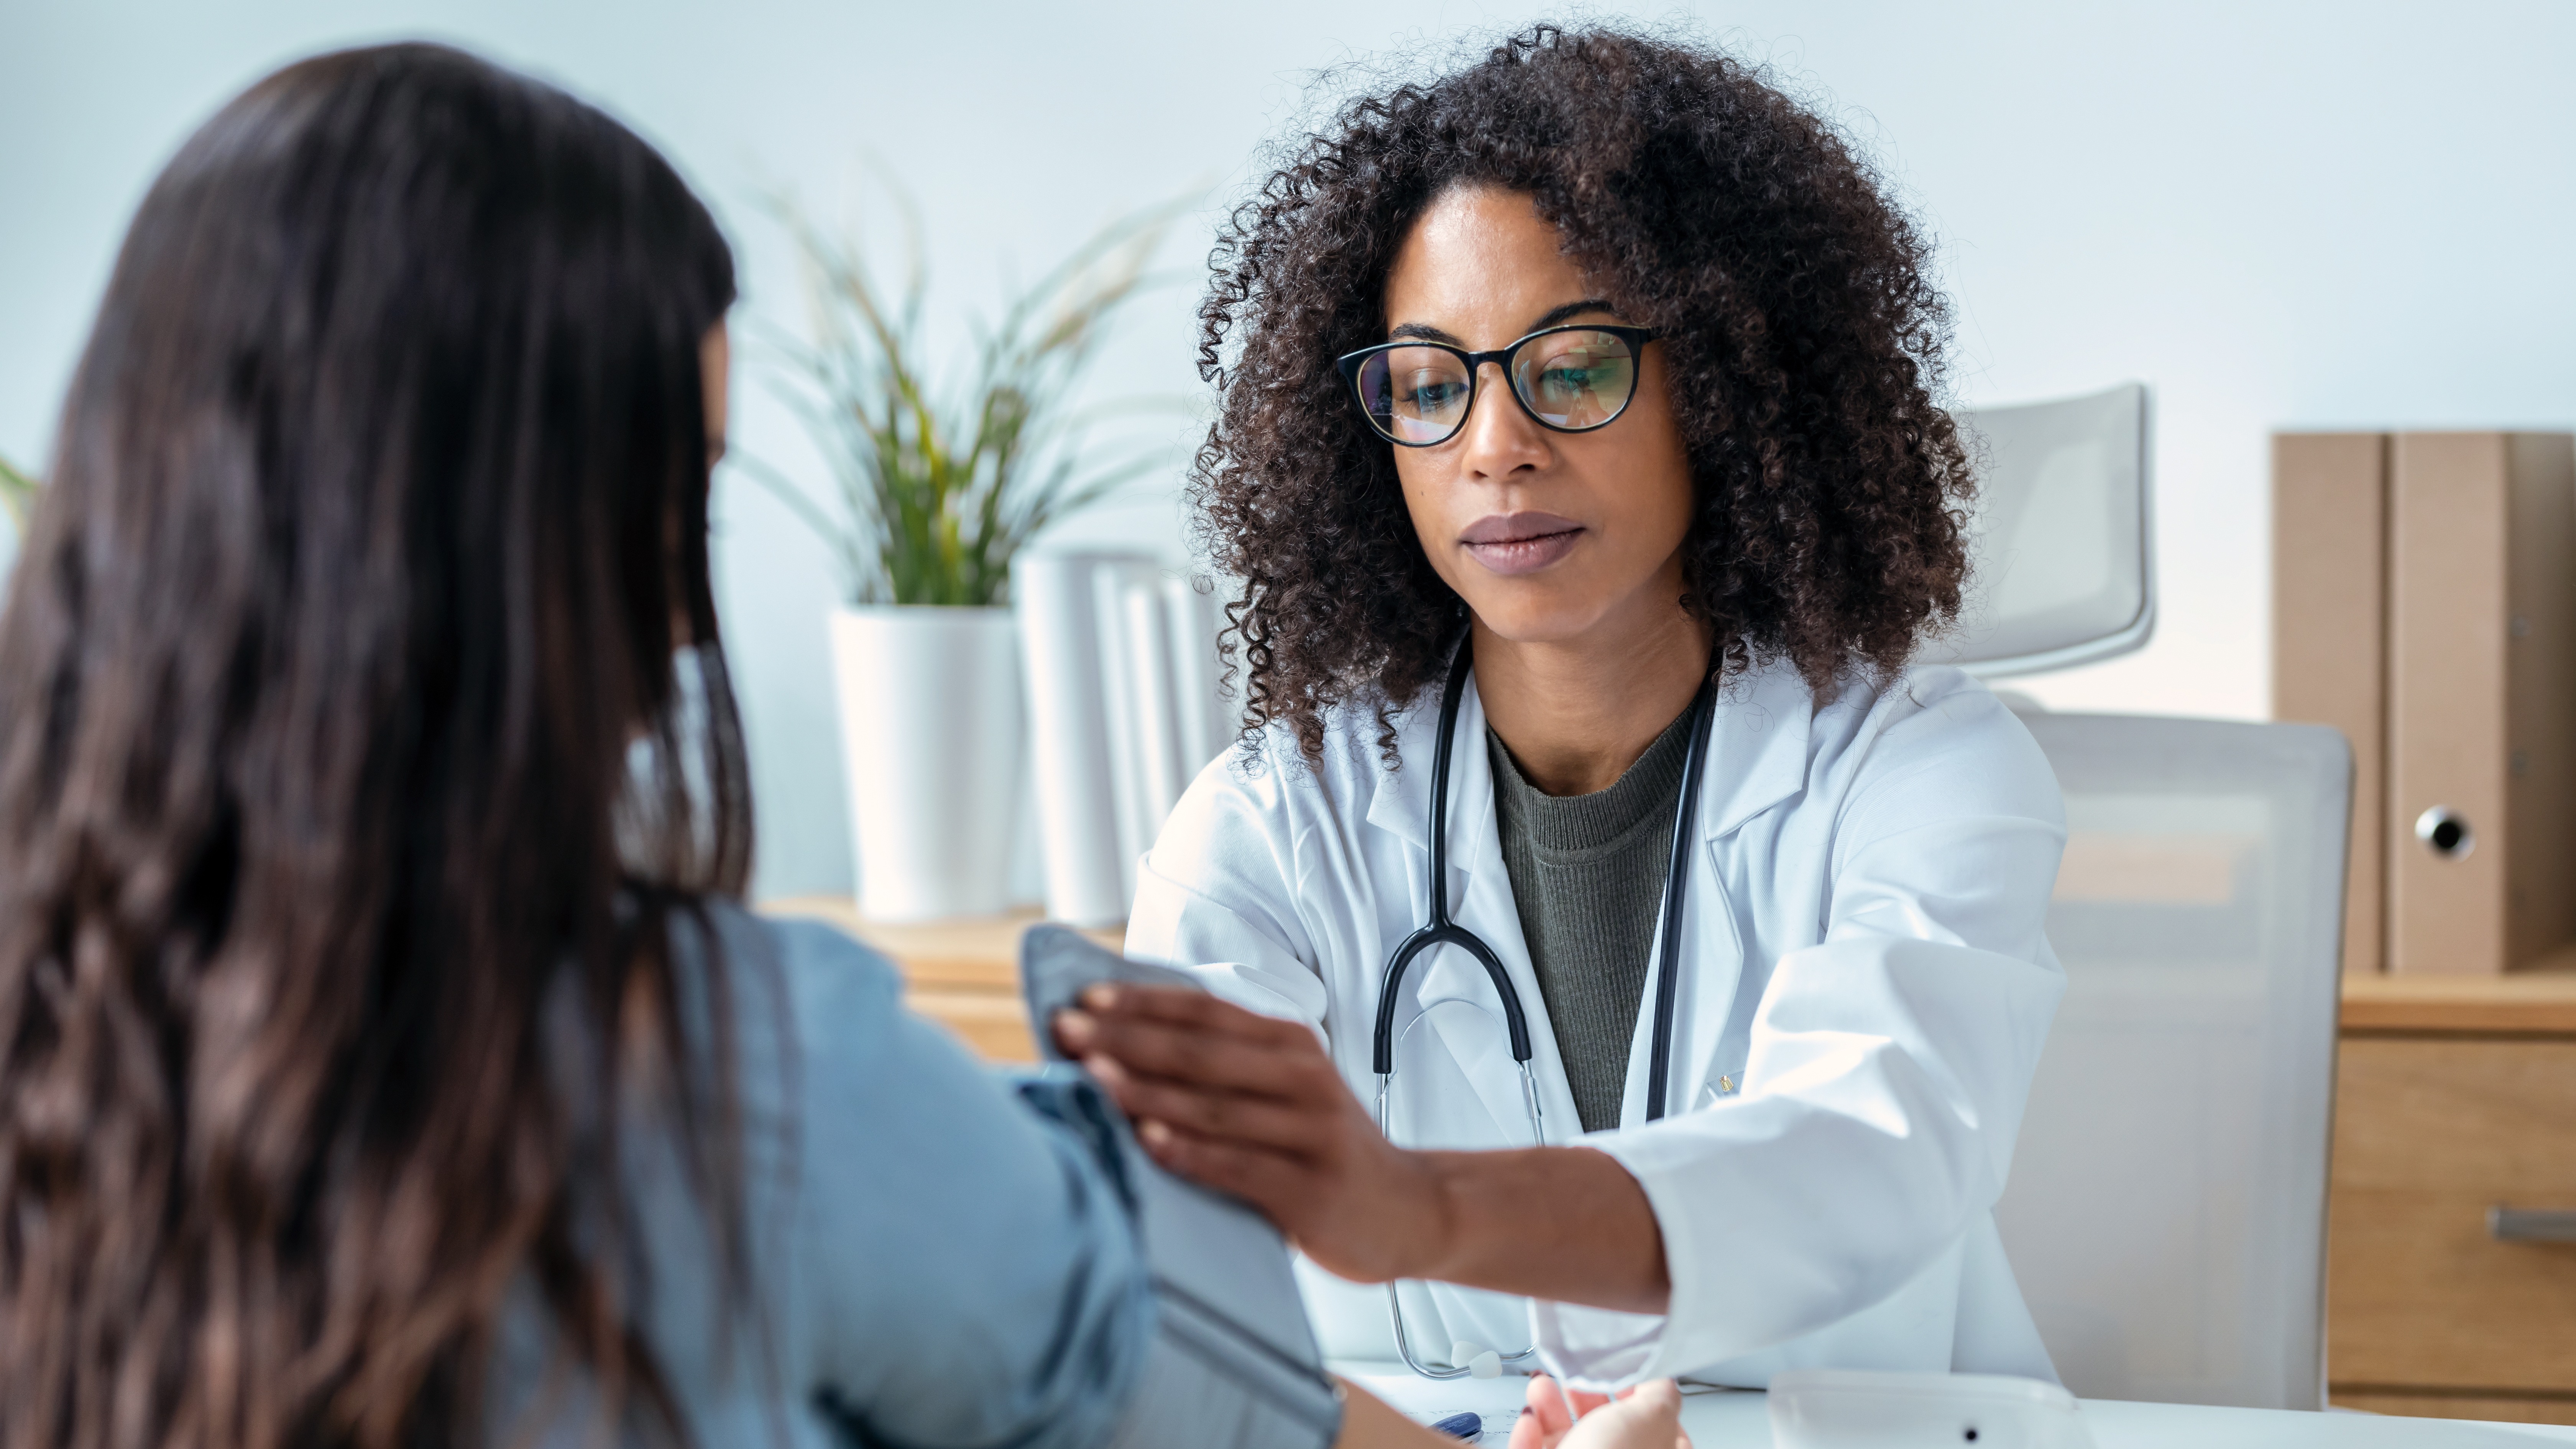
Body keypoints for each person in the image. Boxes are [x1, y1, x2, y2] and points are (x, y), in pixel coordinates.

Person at [0, 43, 1684, 1449]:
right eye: (672, 500)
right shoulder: (733, 1073)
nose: (677, 617)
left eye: (1577, 370)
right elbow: (1171, 1390)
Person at [1055, 24, 2069, 1392]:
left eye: (1573, 367)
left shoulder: (1918, 773)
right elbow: (1181, 1299)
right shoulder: (1275, 829)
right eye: (1428, 386)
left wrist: (1427, 1210)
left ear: (1715, 387)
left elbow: (1871, 1141)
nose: (1494, 448)